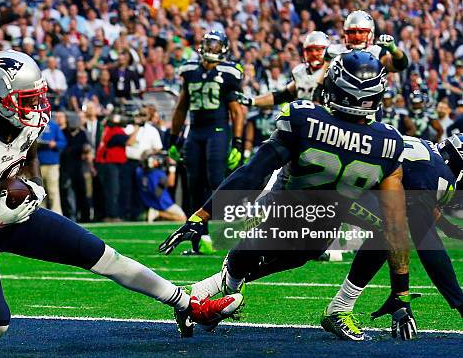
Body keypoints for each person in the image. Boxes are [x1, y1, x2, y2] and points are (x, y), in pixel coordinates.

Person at [0, 50, 242, 345]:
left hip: (14, 215)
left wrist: (33, 185)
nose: (36, 107)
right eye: (27, 99)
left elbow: (28, 157)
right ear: (0, 98)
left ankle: (188, 305)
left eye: (36, 97)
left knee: (104, 256)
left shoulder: (25, 122)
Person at [160, 51, 415, 339]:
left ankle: (219, 291)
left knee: (253, 259)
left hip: (282, 216)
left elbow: (253, 174)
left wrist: (201, 216)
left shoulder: (304, 117)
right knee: (375, 229)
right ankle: (223, 292)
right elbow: (395, 224)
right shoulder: (390, 142)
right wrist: (401, 294)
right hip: (323, 227)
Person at [320, 134, 463, 341]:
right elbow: (427, 243)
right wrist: (459, 301)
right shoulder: (438, 175)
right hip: (329, 189)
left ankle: (341, 307)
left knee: (287, 257)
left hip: (329, 180)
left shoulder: (427, 153)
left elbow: (417, 199)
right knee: (389, 227)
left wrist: (448, 227)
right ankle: (341, 308)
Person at [168, 30, 244, 254]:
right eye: (208, 44)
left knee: (215, 181)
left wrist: (238, 143)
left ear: (223, 48)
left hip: (218, 131)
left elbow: (237, 112)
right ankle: (199, 238)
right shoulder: (189, 71)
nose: (211, 49)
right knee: (194, 185)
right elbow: (181, 106)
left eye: (215, 45)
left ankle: (226, 233)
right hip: (195, 132)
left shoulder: (228, 73)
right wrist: (173, 139)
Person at [236, 31, 330, 110]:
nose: (314, 53)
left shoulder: (334, 71)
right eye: (310, 50)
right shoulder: (300, 71)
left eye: (318, 50)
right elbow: (281, 96)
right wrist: (252, 100)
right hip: (305, 121)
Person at [136, 151, 186, 222]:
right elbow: (170, 183)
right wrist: (172, 167)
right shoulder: (158, 173)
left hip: (148, 203)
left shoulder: (139, 172)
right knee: (183, 218)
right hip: (162, 203)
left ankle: (156, 215)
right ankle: (158, 214)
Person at [37, 115, 67, 213]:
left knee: (53, 191)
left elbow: (63, 142)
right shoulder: (34, 125)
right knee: (39, 193)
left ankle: (57, 215)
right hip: (37, 165)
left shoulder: (54, 126)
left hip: (52, 164)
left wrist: (55, 144)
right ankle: (41, 216)